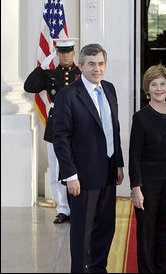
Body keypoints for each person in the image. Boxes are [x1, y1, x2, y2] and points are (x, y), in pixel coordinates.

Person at [53, 43, 124, 272]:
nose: (97, 69)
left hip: (109, 173)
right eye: (91, 64)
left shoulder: (110, 89)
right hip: (81, 178)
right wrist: (70, 175)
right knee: (82, 233)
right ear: (81, 65)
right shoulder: (68, 95)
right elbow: (61, 138)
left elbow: (114, 129)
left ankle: (97, 269)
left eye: (101, 64)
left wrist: (119, 163)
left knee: (106, 228)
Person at [129, 64, 166, 273]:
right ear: (147, 88)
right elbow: (134, 155)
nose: (159, 88)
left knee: (164, 230)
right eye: (154, 84)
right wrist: (136, 188)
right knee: (146, 232)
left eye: (162, 83)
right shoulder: (141, 117)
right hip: (148, 185)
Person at [24, 38, 80, 224]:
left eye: (68, 51)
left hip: (77, 124)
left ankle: (77, 206)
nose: (65, 55)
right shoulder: (50, 74)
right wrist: (42, 68)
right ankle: (63, 208)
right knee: (56, 168)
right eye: (61, 52)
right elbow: (29, 86)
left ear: (73, 52)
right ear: (56, 53)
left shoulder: (81, 73)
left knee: (77, 167)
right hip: (55, 124)